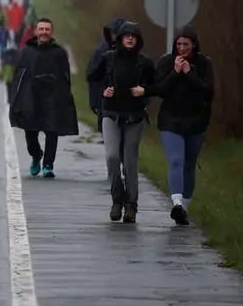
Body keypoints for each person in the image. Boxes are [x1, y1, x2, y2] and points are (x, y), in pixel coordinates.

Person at [87, 21, 156, 224]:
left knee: (130, 162)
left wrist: (145, 91)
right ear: (119, 38)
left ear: (138, 39)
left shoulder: (145, 62)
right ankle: (117, 201)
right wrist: (103, 91)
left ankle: (131, 206)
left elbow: (158, 85)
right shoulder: (108, 58)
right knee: (111, 156)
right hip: (111, 114)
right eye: (126, 35)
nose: (130, 38)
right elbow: (92, 76)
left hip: (134, 117)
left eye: (133, 36)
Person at [151, 26, 215, 226]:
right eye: (178, 44)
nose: (182, 48)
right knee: (176, 160)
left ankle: (184, 209)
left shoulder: (204, 64)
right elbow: (159, 89)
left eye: (185, 44)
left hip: (196, 121)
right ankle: (176, 203)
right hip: (171, 120)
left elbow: (208, 92)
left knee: (189, 164)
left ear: (194, 45)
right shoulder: (167, 62)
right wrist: (176, 72)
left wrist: (190, 74)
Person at [9, 18, 79, 179]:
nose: (44, 32)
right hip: (32, 97)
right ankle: (36, 155)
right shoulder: (27, 51)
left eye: (47, 29)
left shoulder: (59, 52)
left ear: (51, 32)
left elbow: (65, 76)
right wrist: (17, 97)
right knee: (30, 132)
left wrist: (65, 97)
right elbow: (19, 75)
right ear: (36, 31)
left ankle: (48, 164)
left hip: (52, 97)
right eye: (41, 29)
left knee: (52, 131)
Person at [85, 18, 128, 131]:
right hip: (106, 101)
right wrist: (94, 100)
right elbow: (92, 75)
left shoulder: (133, 52)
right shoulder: (102, 50)